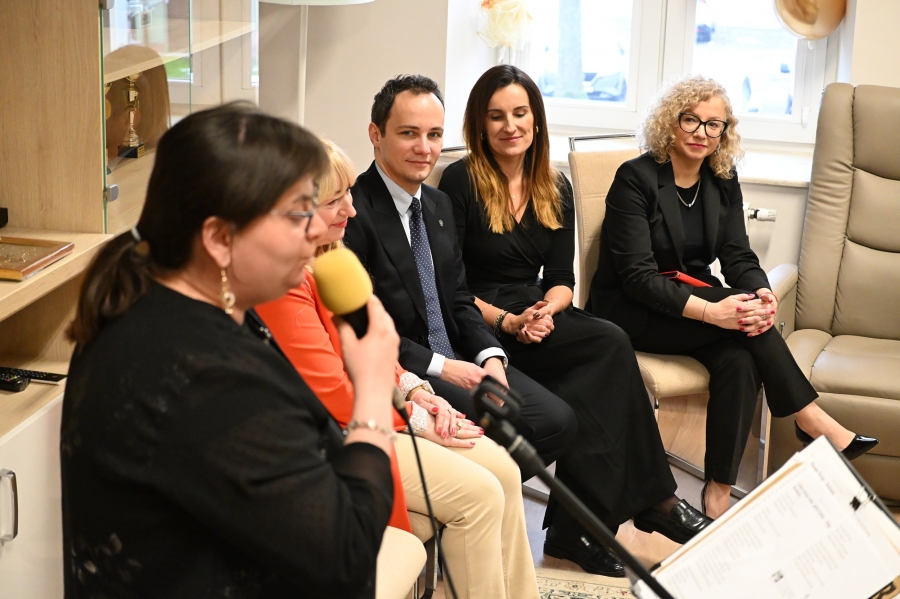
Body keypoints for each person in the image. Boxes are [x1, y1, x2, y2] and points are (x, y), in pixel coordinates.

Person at [61, 103, 401, 599]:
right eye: (297, 214)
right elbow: (345, 555)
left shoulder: (151, 294)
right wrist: (372, 394)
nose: (315, 229)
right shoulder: (206, 376)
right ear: (220, 238)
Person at [438, 65, 711, 577]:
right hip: (478, 319)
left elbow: (562, 278)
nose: (510, 125)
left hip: (537, 312)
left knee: (607, 343)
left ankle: (586, 526)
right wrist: (509, 321)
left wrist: (547, 308)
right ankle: (641, 506)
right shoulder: (460, 181)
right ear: (480, 124)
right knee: (599, 366)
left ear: (536, 120)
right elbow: (449, 285)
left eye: (520, 113)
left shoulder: (553, 184)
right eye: (496, 116)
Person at [257, 139, 540, 599]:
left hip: (384, 410)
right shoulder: (282, 284)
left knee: (505, 470)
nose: (351, 209)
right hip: (339, 437)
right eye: (334, 200)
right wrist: (418, 420)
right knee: (481, 496)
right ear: (294, 212)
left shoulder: (333, 260)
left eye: (349, 193)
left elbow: (377, 350)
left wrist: (416, 391)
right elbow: (332, 391)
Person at [586, 75, 879, 519]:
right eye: (690, 120)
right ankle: (808, 417)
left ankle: (717, 490)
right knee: (742, 326)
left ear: (725, 131)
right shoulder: (636, 178)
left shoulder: (722, 178)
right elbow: (637, 277)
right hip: (632, 308)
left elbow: (738, 254)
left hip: (692, 298)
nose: (701, 133)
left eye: (714, 124)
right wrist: (712, 312)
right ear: (670, 121)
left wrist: (760, 290)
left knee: (739, 359)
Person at [343, 75, 577, 473]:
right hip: (410, 367)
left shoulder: (436, 204)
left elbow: (458, 297)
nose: (424, 148)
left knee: (558, 421)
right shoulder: (353, 212)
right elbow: (360, 325)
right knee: (508, 432)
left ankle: (491, 491)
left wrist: (491, 357)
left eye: (434, 135)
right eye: (409, 133)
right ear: (376, 134)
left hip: (462, 354)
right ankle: (482, 491)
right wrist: (444, 367)